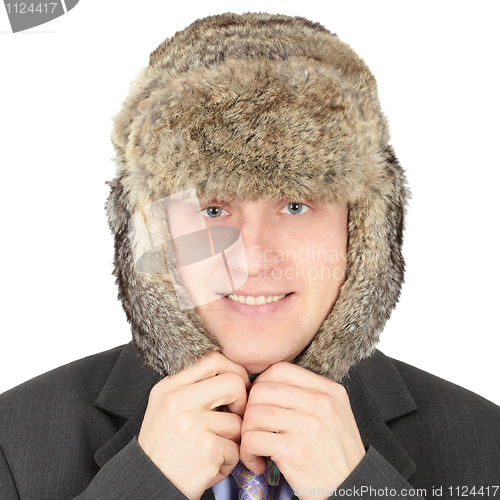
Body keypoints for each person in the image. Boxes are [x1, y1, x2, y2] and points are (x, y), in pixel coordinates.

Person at [0, 12, 499, 500]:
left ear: (362, 232)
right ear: (154, 233)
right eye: (213, 208)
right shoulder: (15, 439)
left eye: (296, 204)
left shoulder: (485, 443)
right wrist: (143, 484)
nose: (254, 260)